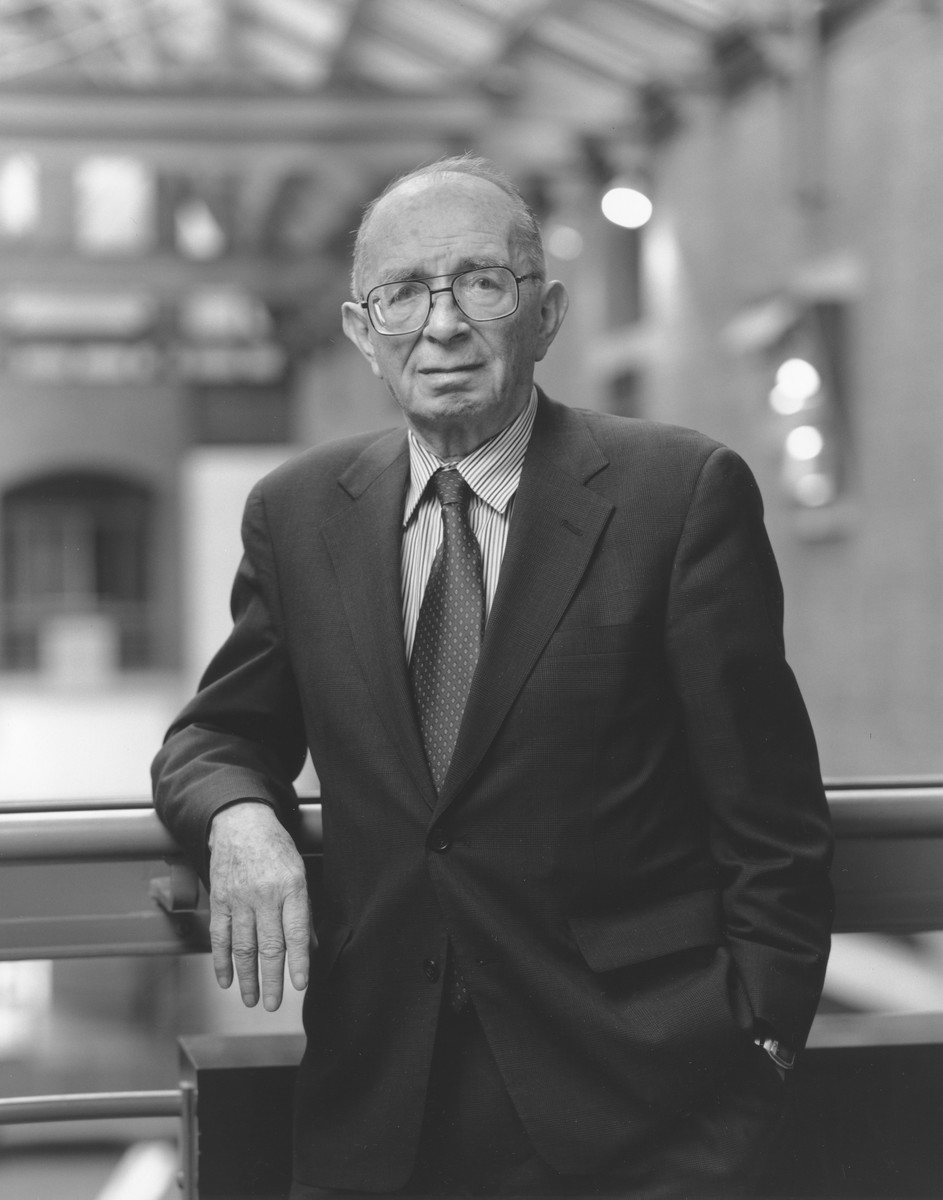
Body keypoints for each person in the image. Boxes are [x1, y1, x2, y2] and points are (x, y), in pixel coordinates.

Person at [152, 154, 834, 1198]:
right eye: (402, 294)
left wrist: (761, 1049)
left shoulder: (679, 494)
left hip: (640, 1112)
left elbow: (770, 814)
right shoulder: (297, 514)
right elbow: (215, 735)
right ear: (359, 331)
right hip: (380, 1111)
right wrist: (240, 821)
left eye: (480, 281)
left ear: (545, 310)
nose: (442, 323)